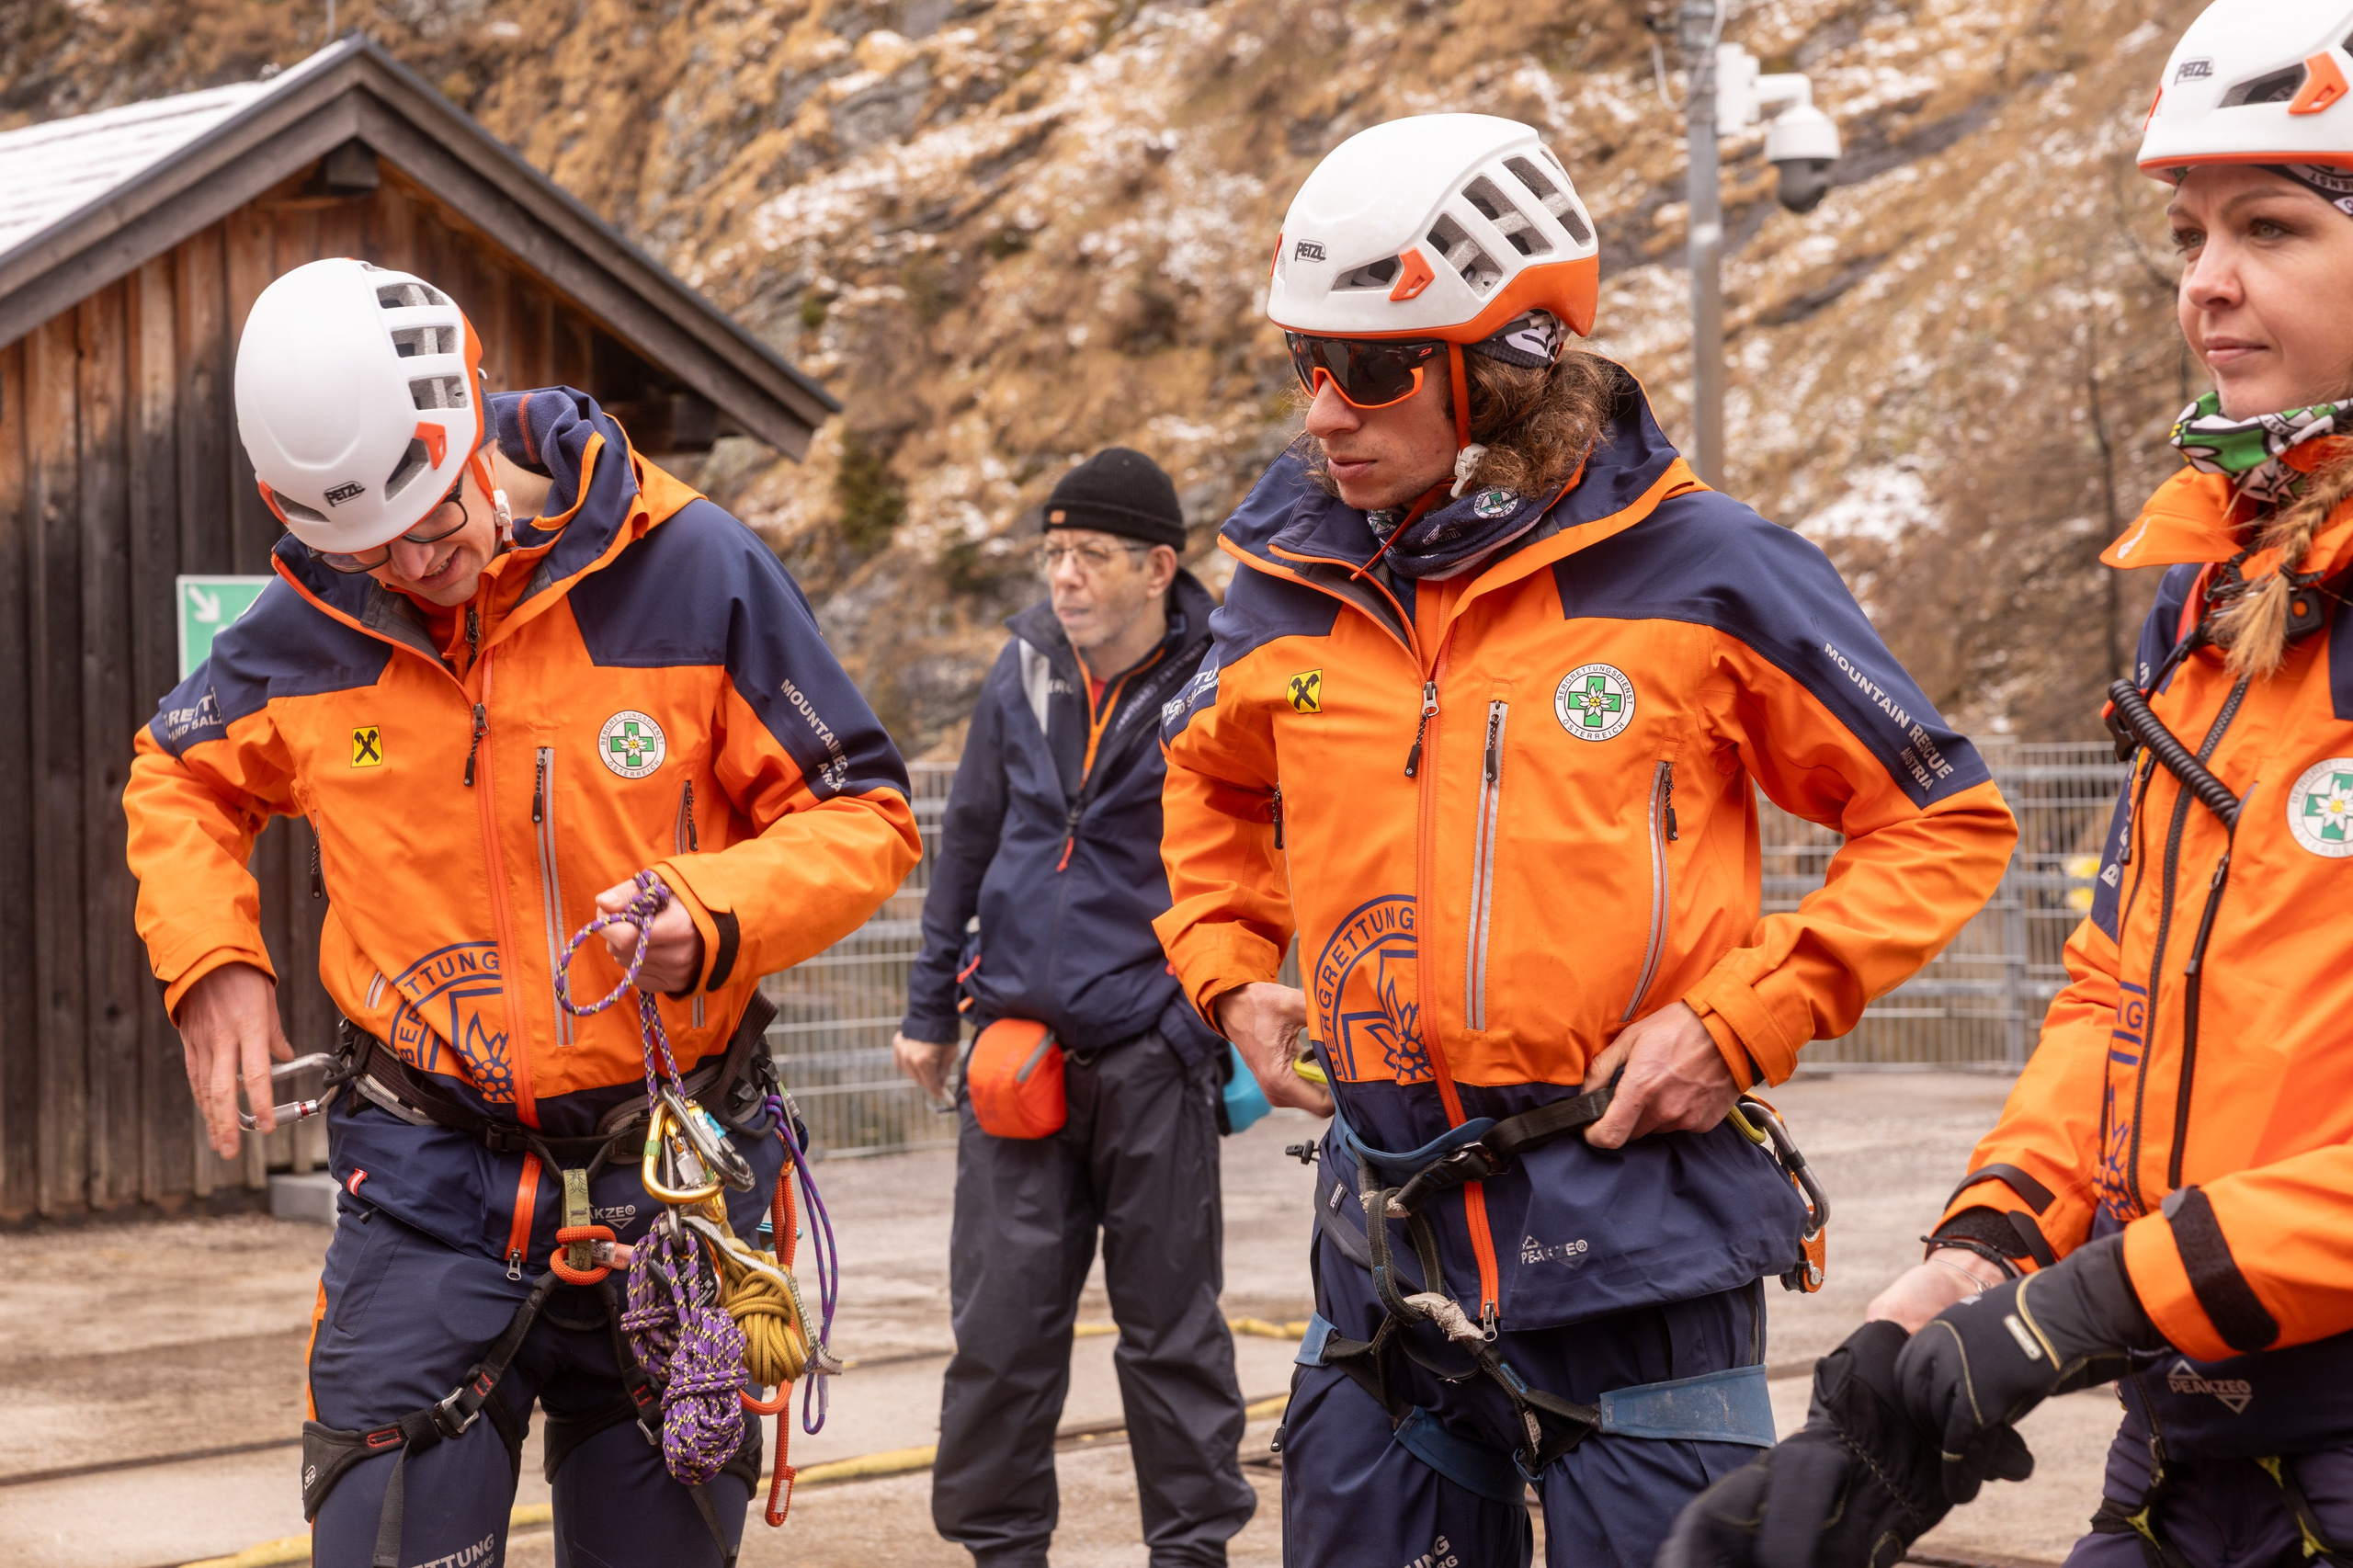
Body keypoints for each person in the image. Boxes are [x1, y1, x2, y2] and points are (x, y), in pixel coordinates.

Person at [1152, 112, 2017, 1568]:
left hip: (1638, 1225)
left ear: (1508, 362)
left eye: (1370, 367)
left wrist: (1737, 1022)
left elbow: (1939, 817)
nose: (1324, 412)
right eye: (1306, 362)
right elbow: (1205, 786)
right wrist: (1230, 970)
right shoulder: (1284, 583)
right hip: (1384, 1239)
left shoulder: (1704, 567)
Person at [1661, 5, 2353, 1562]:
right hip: (2194, 1437)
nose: (2206, 281)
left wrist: (2089, 1304)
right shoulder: (2221, 595)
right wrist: (1979, 1260)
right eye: (2188, 235)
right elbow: (2123, 993)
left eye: (2270, 226)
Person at [124, 257, 920, 1566]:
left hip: (673, 1182)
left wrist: (714, 911)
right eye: (369, 549)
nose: (414, 568)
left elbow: (864, 811)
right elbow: (178, 773)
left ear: (470, 421)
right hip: (427, 1187)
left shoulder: (691, 567)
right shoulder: (309, 620)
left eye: (436, 521)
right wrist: (212, 954)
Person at [891, 448, 1256, 1568]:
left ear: (1158, 567)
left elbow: (1267, 851)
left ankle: (1189, 1553)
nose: (1064, 575)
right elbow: (966, 843)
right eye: (1054, 552)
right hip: (1016, 1060)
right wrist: (929, 1008)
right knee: (999, 1335)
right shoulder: (1022, 672)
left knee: (1172, 1335)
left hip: (1153, 1056)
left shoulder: (1220, 682)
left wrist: (1194, 1022)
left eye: (1091, 553)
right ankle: (1001, 1552)